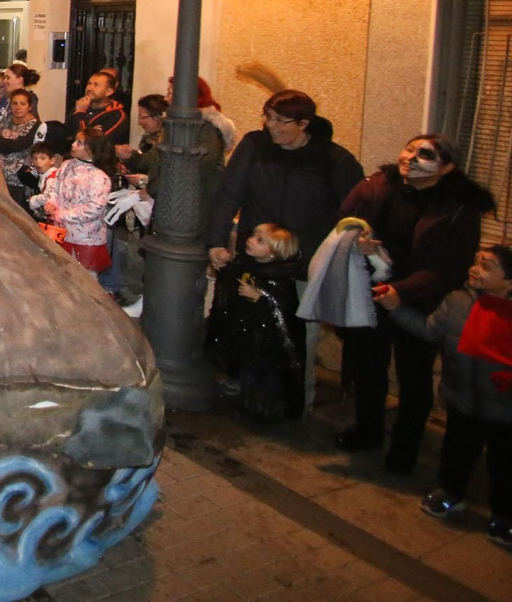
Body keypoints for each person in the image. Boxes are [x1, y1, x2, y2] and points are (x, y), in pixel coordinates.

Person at [339, 135, 495, 471]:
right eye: (409, 148)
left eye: (425, 154)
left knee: (414, 376)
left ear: (447, 167)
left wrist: (403, 293)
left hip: (419, 300)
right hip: (375, 291)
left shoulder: (458, 208)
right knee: (368, 365)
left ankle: (405, 447)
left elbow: (447, 268)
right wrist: (362, 243)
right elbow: (349, 221)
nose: (411, 157)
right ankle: (368, 430)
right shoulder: (383, 186)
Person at [207, 89, 364, 414]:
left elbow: (350, 213)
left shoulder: (334, 160)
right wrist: (217, 241)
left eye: (281, 120)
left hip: (301, 266)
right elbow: (228, 194)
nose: (271, 126)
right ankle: (247, 391)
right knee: (248, 327)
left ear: (304, 123)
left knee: (297, 336)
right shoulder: (254, 146)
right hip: (256, 259)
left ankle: (295, 404)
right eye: (268, 117)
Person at [381, 244, 512, 548]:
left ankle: (504, 515)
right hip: (461, 397)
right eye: (476, 260)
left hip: (504, 407)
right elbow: (428, 330)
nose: (475, 268)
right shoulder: (457, 301)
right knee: (457, 450)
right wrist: (395, 306)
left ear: (508, 281)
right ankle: (451, 493)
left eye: (487, 266)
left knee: (504, 462)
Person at [206, 223, 305, 421]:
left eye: (260, 241)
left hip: (267, 342)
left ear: (273, 253)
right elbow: (231, 283)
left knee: (264, 377)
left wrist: (262, 296)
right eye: (253, 236)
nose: (250, 240)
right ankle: (248, 404)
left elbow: (283, 306)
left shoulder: (278, 276)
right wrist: (224, 267)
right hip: (250, 335)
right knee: (249, 372)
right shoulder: (247, 265)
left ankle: (263, 411)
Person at [47, 128, 118, 289]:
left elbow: (94, 209)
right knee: (62, 276)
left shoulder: (99, 177)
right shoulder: (66, 165)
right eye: (75, 140)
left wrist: (62, 215)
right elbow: (55, 188)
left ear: (91, 150)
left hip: (85, 238)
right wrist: (52, 202)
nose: (73, 144)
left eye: (79, 142)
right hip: (62, 233)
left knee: (86, 281)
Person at [0, 88, 42, 203]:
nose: (18, 107)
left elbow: (19, 145)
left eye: (22, 104)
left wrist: (2, 141)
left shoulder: (35, 125)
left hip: (18, 181)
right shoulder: (5, 120)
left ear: (30, 106)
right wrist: (7, 143)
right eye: (15, 103)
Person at [69, 70, 129, 145]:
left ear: (109, 92)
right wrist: (91, 130)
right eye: (89, 83)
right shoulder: (81, 106)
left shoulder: (117, 115)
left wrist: (80, 113)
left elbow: (90, 143)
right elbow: (67, 134)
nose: (90, 88)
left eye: (96, 85)